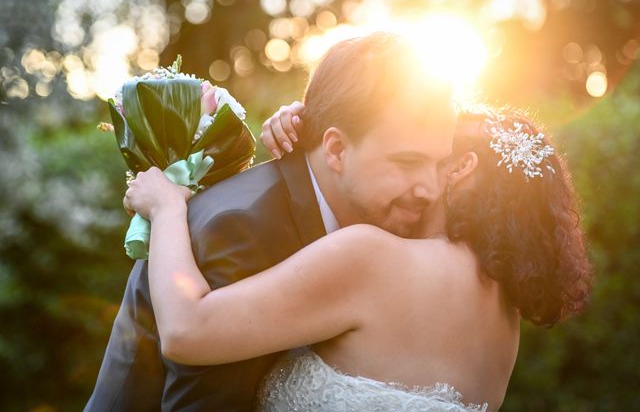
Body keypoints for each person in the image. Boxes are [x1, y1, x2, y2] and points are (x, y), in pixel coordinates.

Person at [124, 104, 592, 411]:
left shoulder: (374, 258)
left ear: (461, 166)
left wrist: (166, 208)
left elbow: (188, 331)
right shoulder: (503, 319)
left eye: (429, 152)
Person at [85, 32, 457, 411]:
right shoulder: (244, 228)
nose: (430, 189)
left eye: (442, 164)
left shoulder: (375, 212)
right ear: (337, 150)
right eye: (408, 163)